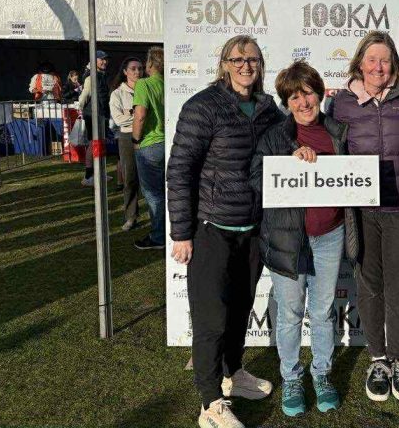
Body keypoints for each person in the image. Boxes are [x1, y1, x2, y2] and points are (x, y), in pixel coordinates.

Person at [167, 36, 282, 428]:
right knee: (212, 319)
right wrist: (181, 232)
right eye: (237, 59)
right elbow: (180, 170)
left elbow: (281, 151)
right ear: (225, 64)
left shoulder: (268, 109)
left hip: (252, 230)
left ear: (260, 64)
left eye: (252, 59)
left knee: (239, 310)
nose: (245, 66)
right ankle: (210, 402)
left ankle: (234, 372)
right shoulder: (202, 106)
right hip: (210, 228)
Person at [250, 61, 358, 418]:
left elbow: (355, 178)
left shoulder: (339, 132)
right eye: (294, 97)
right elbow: (256, 179)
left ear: (319, 93)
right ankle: (292, 377)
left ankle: (322, 374)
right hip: (287, 238)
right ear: (286, 102)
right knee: (291, 312)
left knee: (323, 311)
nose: (303, 102)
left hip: (330, 235)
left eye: (308, 93)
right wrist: (288, 160)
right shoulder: (275, 137)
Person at [328, 31, 399, 403]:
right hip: (362, 210)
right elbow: (328, 147)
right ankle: (377, 360)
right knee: (369, 285)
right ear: (360, 63)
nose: (378, 67)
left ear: (394, 65)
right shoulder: (341, 103)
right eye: (371, 59)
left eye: (385, 60)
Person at [132, 47, 165, 250]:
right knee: (168, 191)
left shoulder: (144, 84)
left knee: (153, 193)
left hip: (150, 144)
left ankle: (158, 236)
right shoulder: (168, 83)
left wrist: (135, 140)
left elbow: (140, 115)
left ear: (150, 63)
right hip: (169, 143)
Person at [109, 57, 143, 231]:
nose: (137, 72)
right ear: (125, 72)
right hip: (127, 137)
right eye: (133, 69)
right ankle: (131, 216)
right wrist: (140, 116)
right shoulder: (117, 94)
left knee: (152, 179)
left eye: (140, 68)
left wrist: (133, 115)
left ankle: (158, 217)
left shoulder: (147, 88)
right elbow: (118, 119)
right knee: (130, 179)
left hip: (148, 136)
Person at [78, 51, 110, 186]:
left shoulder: (101, 75)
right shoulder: (91, 76)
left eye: (105, 59)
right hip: (92, 114)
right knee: (93, 144)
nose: (104, 62)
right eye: (101, 59)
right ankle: (88, 176)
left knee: (100, 143)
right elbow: (84, 96)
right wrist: (81, 110)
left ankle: (99, 173)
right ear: (94, 61)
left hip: (101, 114)